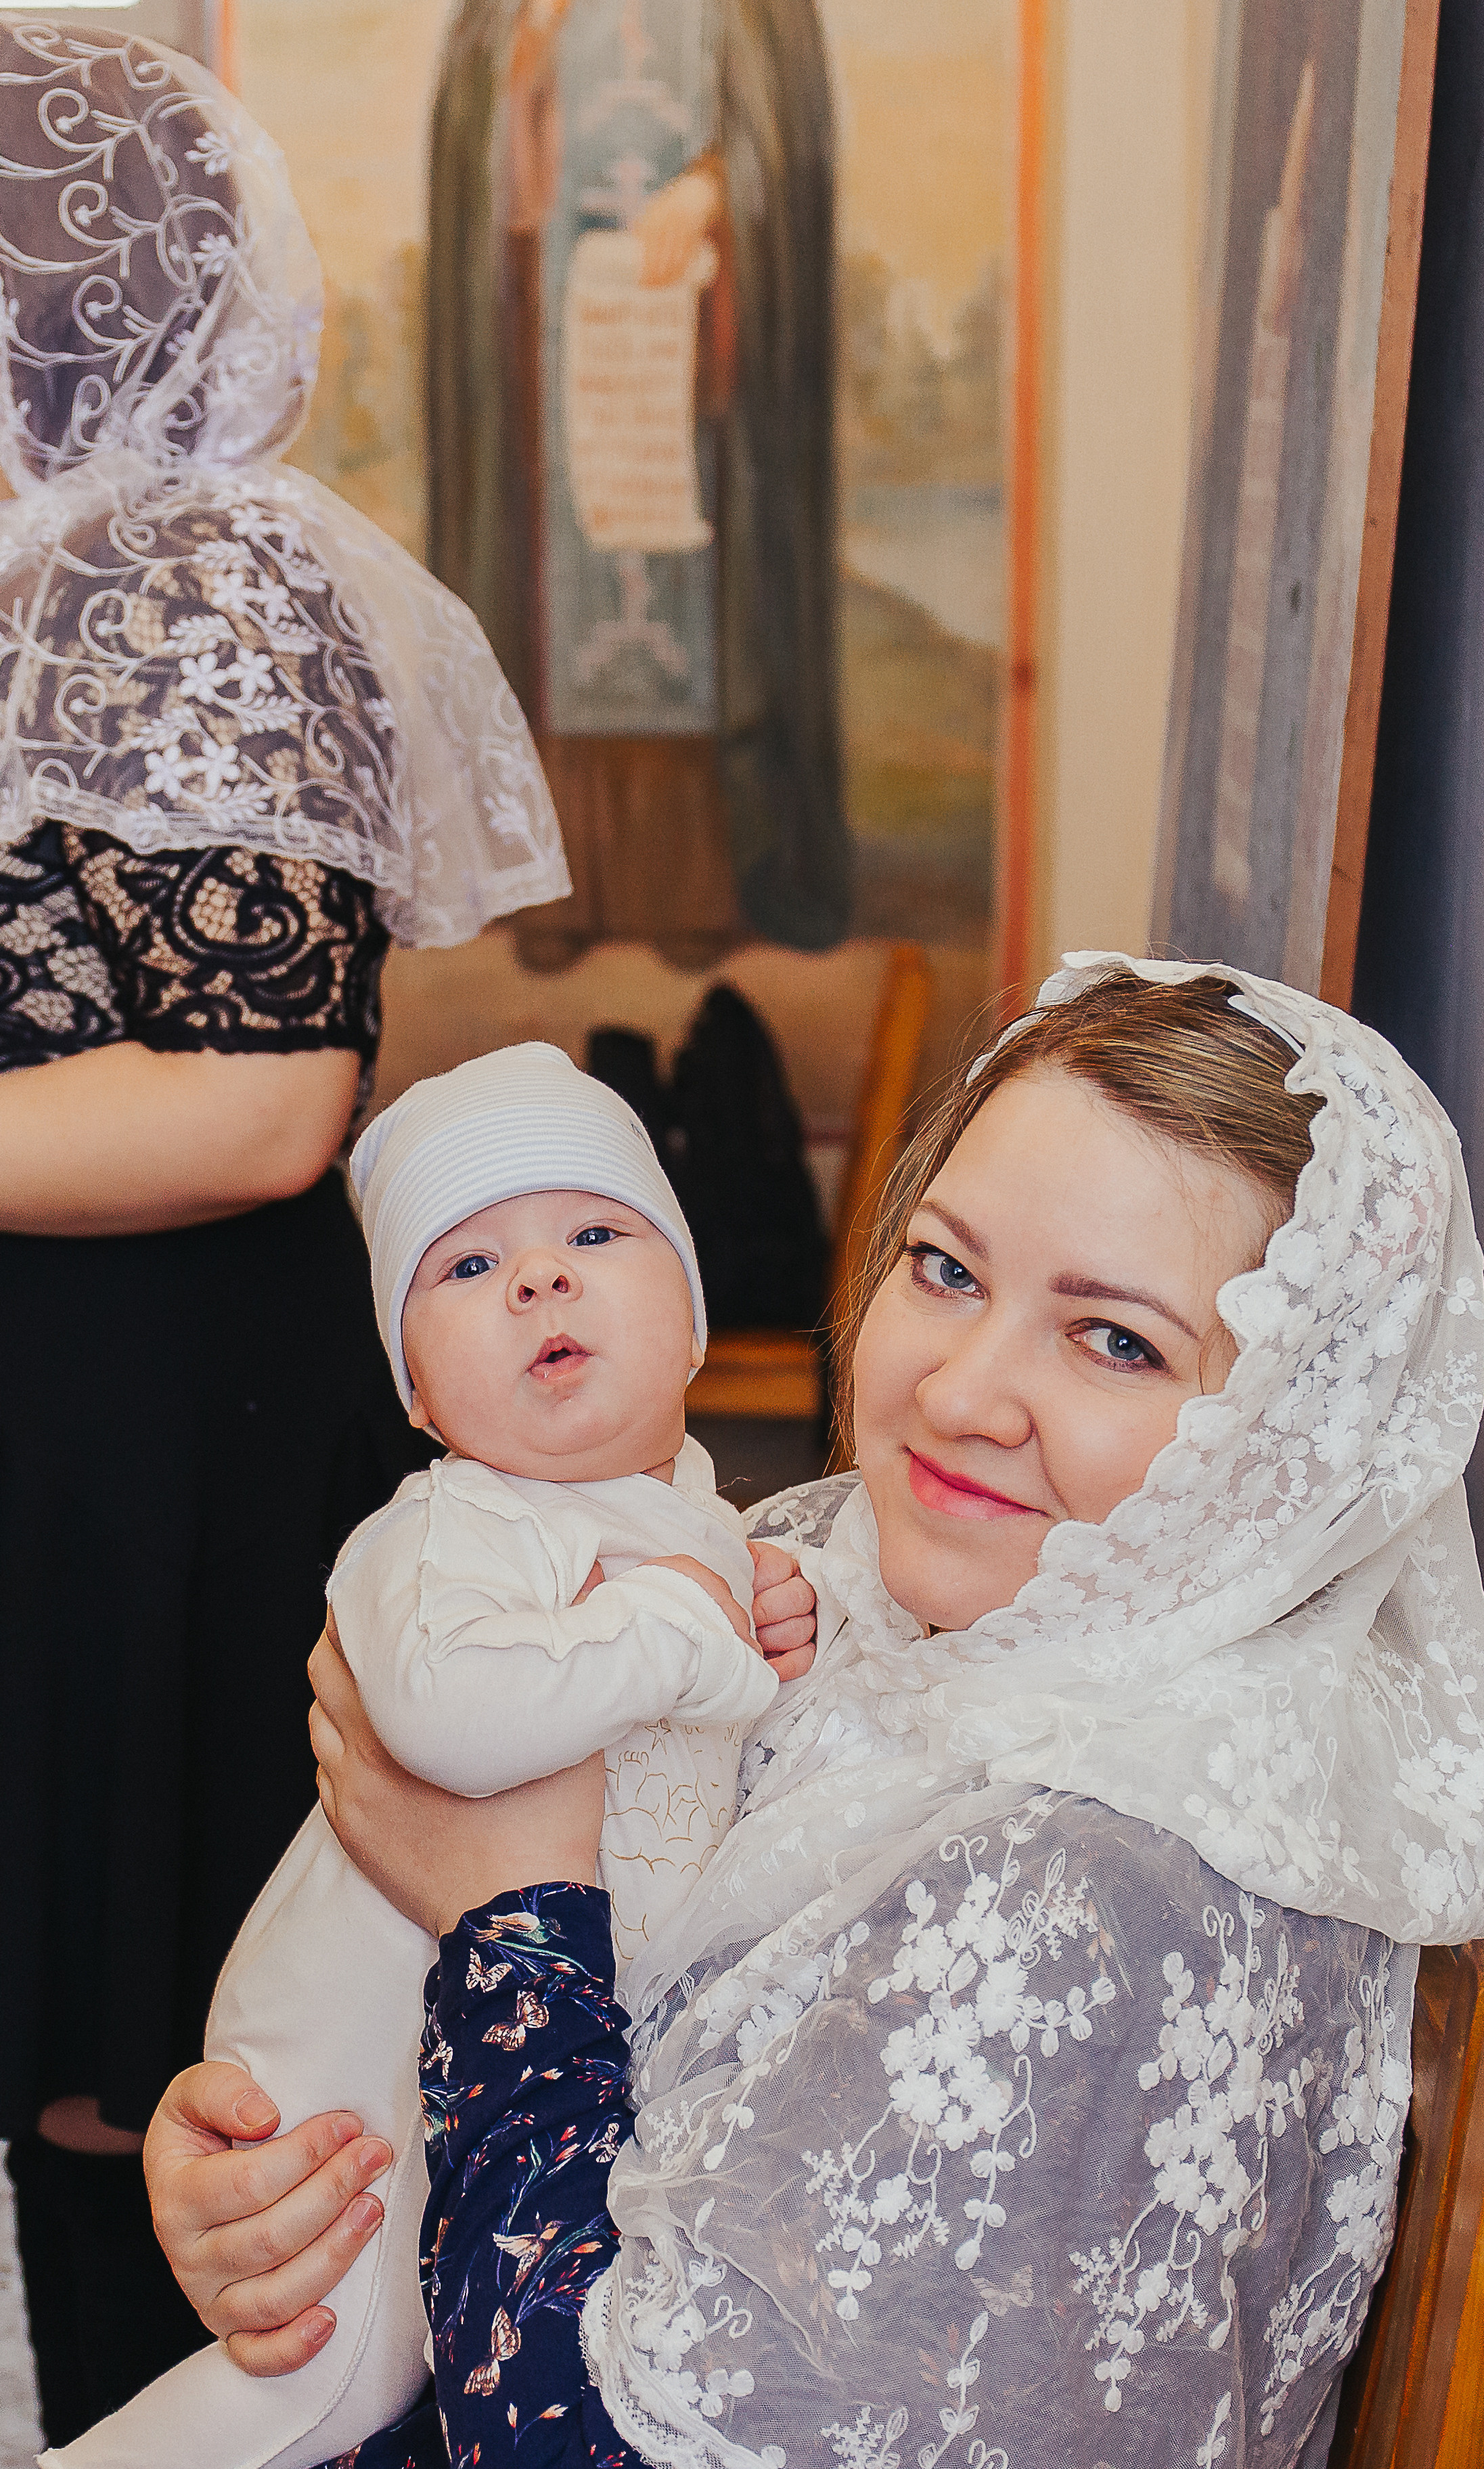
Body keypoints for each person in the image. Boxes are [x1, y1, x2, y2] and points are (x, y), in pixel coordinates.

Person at [140, 957, 1484, 2468]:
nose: (959, 1393)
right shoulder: (855, 1577)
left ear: (1285, 1446)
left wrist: (507, 1921)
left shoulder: (1091, 1891)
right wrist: (301, 2178)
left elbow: (568, 2446)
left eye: (1113, 1339)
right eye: (944, 1268)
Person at [0, 24, 568, 2445]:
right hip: (71, 1389)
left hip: (147, 1431)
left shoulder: (188, 565)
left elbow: (261, 1084)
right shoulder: (65, 547)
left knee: (162, 2074)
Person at [65, 1042, 792, 2468]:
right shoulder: (438, 1534)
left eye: (594, 1232)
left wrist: (780, 1608)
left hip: (504, 2026)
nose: (538, 1279)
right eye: (466, 1268)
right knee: (325, 2374)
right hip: (353, 2037)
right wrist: (690, 1637)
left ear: (696, 1323)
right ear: (414, 1394)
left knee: (423, 2366)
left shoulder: (708, 1524)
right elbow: (447, 1721)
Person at [428, 0, 849, 966]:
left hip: (691, 336)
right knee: (553, 602)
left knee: (687, 606)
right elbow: (481, 136)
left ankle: (695, 891)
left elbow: (781, 141)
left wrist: (712, 190)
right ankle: (558, 901)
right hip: (550, 327)